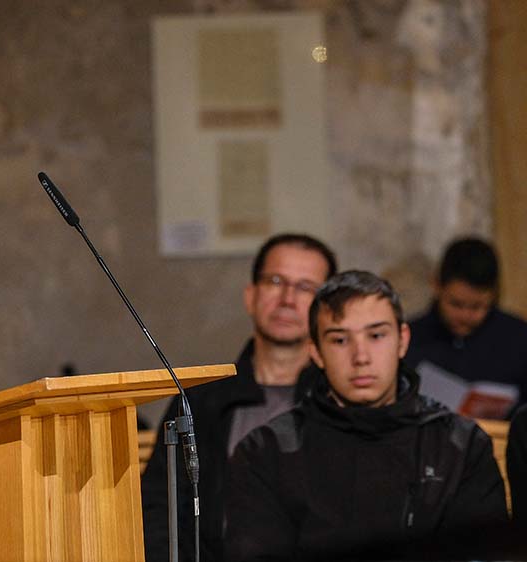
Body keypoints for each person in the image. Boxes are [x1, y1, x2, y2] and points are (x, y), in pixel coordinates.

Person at [225, 270, 508, 561]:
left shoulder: (460, 446)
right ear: (316, 352)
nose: (361, 357)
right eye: (339, 340)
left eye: (376, 335)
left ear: (402, 340)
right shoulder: (266, 453)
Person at [141, 233, 337, 562]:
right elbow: (159, 509)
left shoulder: (340, 402)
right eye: (276, 281)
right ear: (250, 296)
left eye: (306, 287)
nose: (288, 298)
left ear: (327, 311)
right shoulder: (201, 398)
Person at [406, 237, 527, 418]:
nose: (465, 316)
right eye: (456, 304)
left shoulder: (519, 339)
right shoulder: (410, 338)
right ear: (437, 286)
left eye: (477, 307)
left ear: (493, 295)